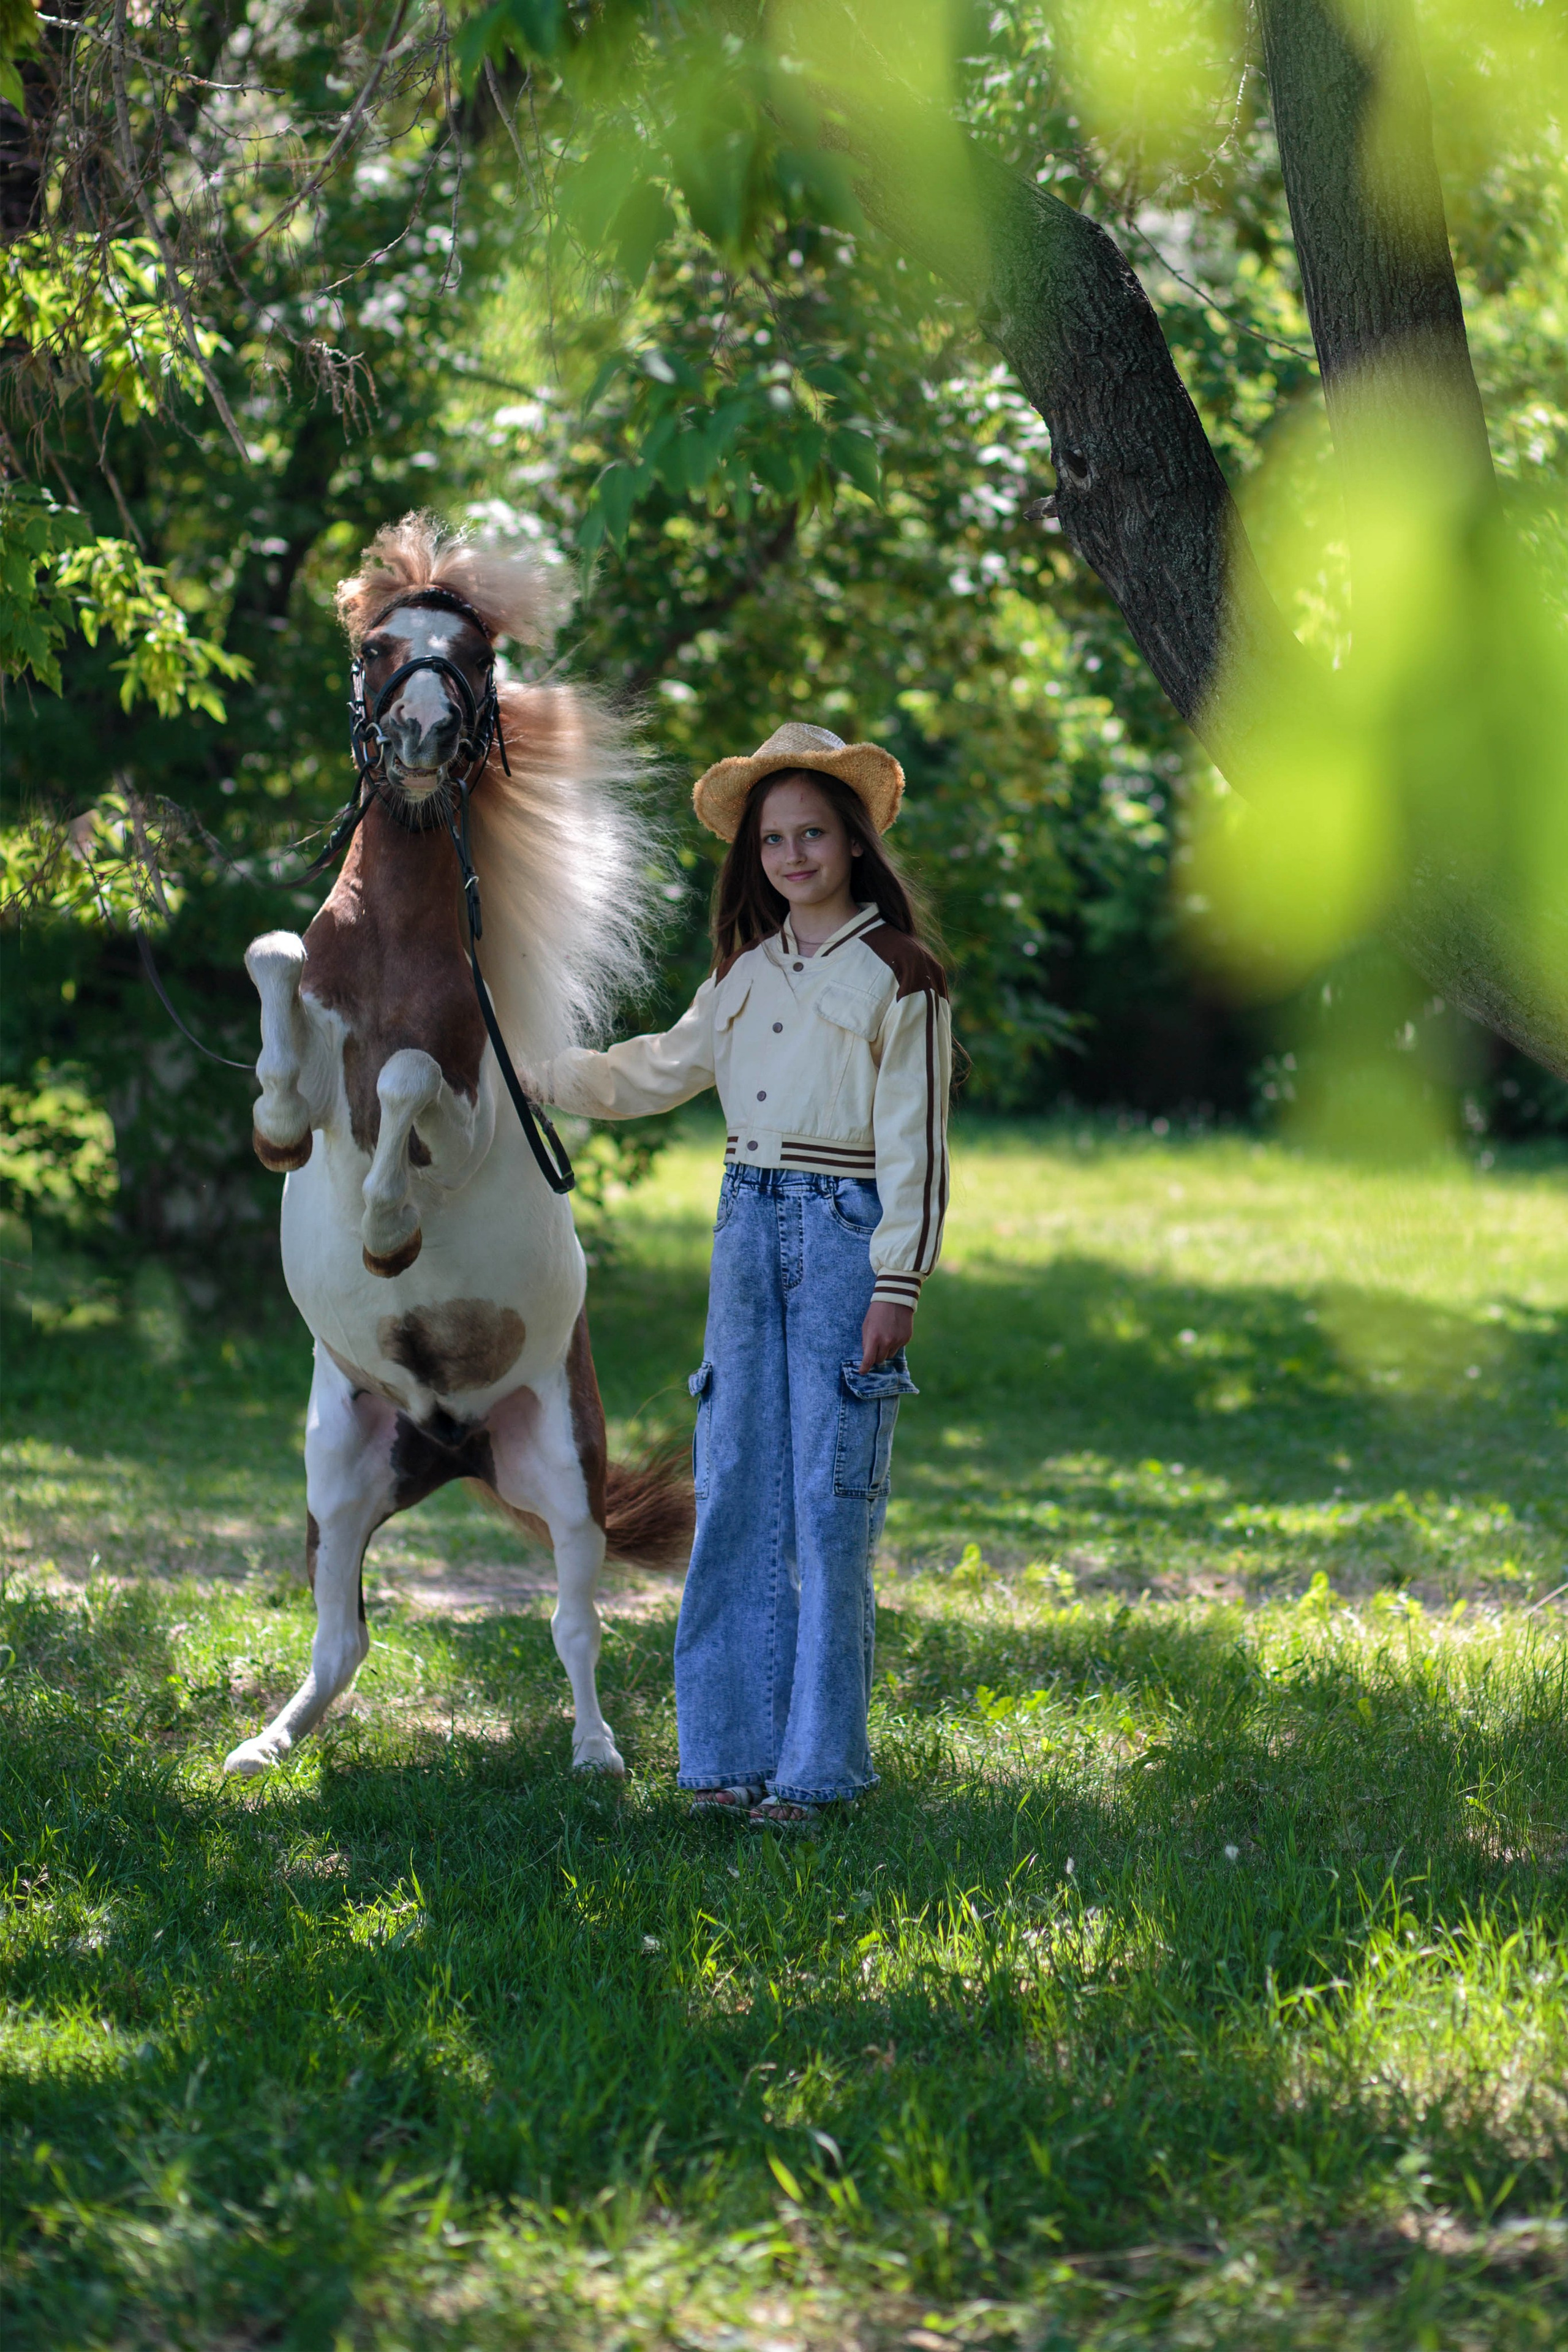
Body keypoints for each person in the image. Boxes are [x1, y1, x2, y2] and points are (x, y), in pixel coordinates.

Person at [535, 722, 953, 1826]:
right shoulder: (743, 976)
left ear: (854, 844)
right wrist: (533, 1069)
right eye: (775, 840)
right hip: (743, 1231)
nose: (794, 855)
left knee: (826, 1505)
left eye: (815, 833)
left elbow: (917, 1146)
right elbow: (652, 1072)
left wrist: (895, 1283)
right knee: (733, 1496)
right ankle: (723, 1757)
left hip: (838, 1236)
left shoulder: (897, 976)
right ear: (753, 856)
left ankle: (818, 1771)